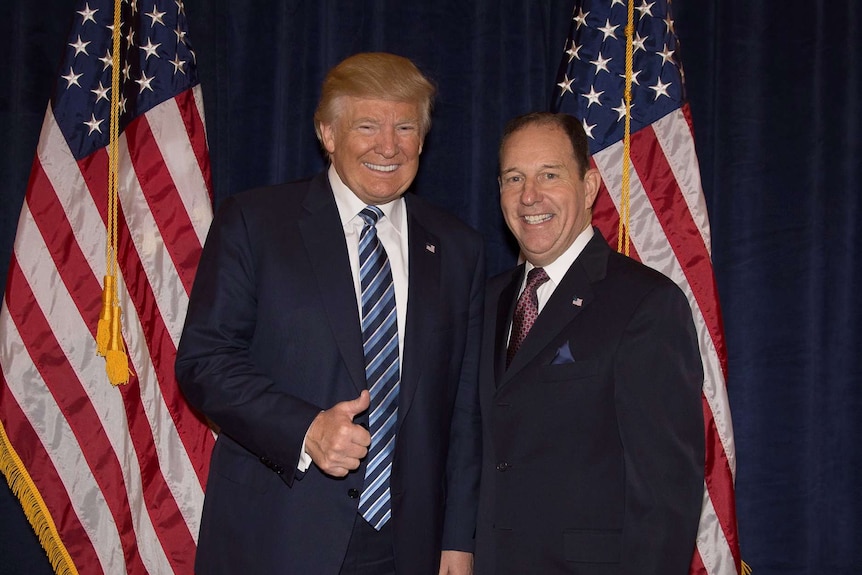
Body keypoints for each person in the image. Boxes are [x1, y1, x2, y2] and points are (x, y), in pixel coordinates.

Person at [175, 52, 484, 575]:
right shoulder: (255, 222)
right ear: (327, 133)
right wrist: (306, 430)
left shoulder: (458, 248)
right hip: (277, 533)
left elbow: (463, 409)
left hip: (408, 546)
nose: (388, 146)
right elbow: (204, 362)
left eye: (405, 126)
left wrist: (458, 538)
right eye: (367, 125)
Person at [473, 112, 705, 575]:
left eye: (549, 175)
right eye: (513, 177)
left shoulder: (645, 304)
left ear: (590, 186)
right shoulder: (485, 301)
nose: (529, 195)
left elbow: (665, 497)